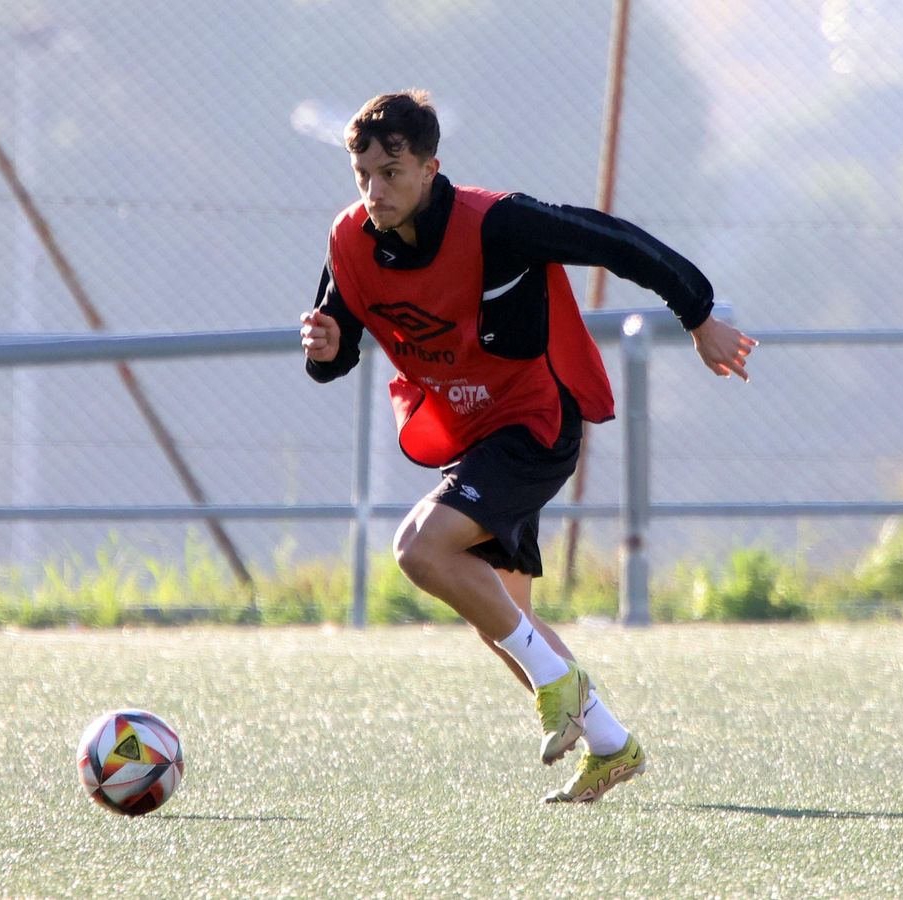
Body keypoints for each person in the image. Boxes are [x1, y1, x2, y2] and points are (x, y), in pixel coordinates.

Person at [299, 90, 756, 803]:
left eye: (392, 172)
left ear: (430, 167)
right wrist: (325, 350)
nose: (375, 190)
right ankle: (610, 745)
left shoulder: (496, 222)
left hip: (535, 423)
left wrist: (697, 313)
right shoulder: (350, 238)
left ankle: (561, 685)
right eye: (363, 175)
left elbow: (611, 239)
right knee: (500, 615)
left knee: (420, 548)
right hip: (468, 432)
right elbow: (336, 346)